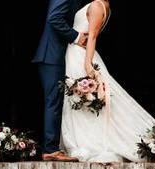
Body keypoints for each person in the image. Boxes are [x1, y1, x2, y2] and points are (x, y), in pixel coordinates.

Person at [61, 0, 155, 162]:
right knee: (80, 101)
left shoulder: (97, 5)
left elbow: (92, 36)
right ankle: (82, 140)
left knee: (84, 98)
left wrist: (87, 64)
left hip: (81, 56)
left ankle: (90, 142)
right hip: (75, 54)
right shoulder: (99, 4)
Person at [32, 0, 88, 162]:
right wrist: (76, 36)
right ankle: (51, 150)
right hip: (51, 54)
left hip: (56, 54)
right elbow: (54, 18)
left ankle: (53, 147)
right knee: (54, 101)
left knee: (55, 101)